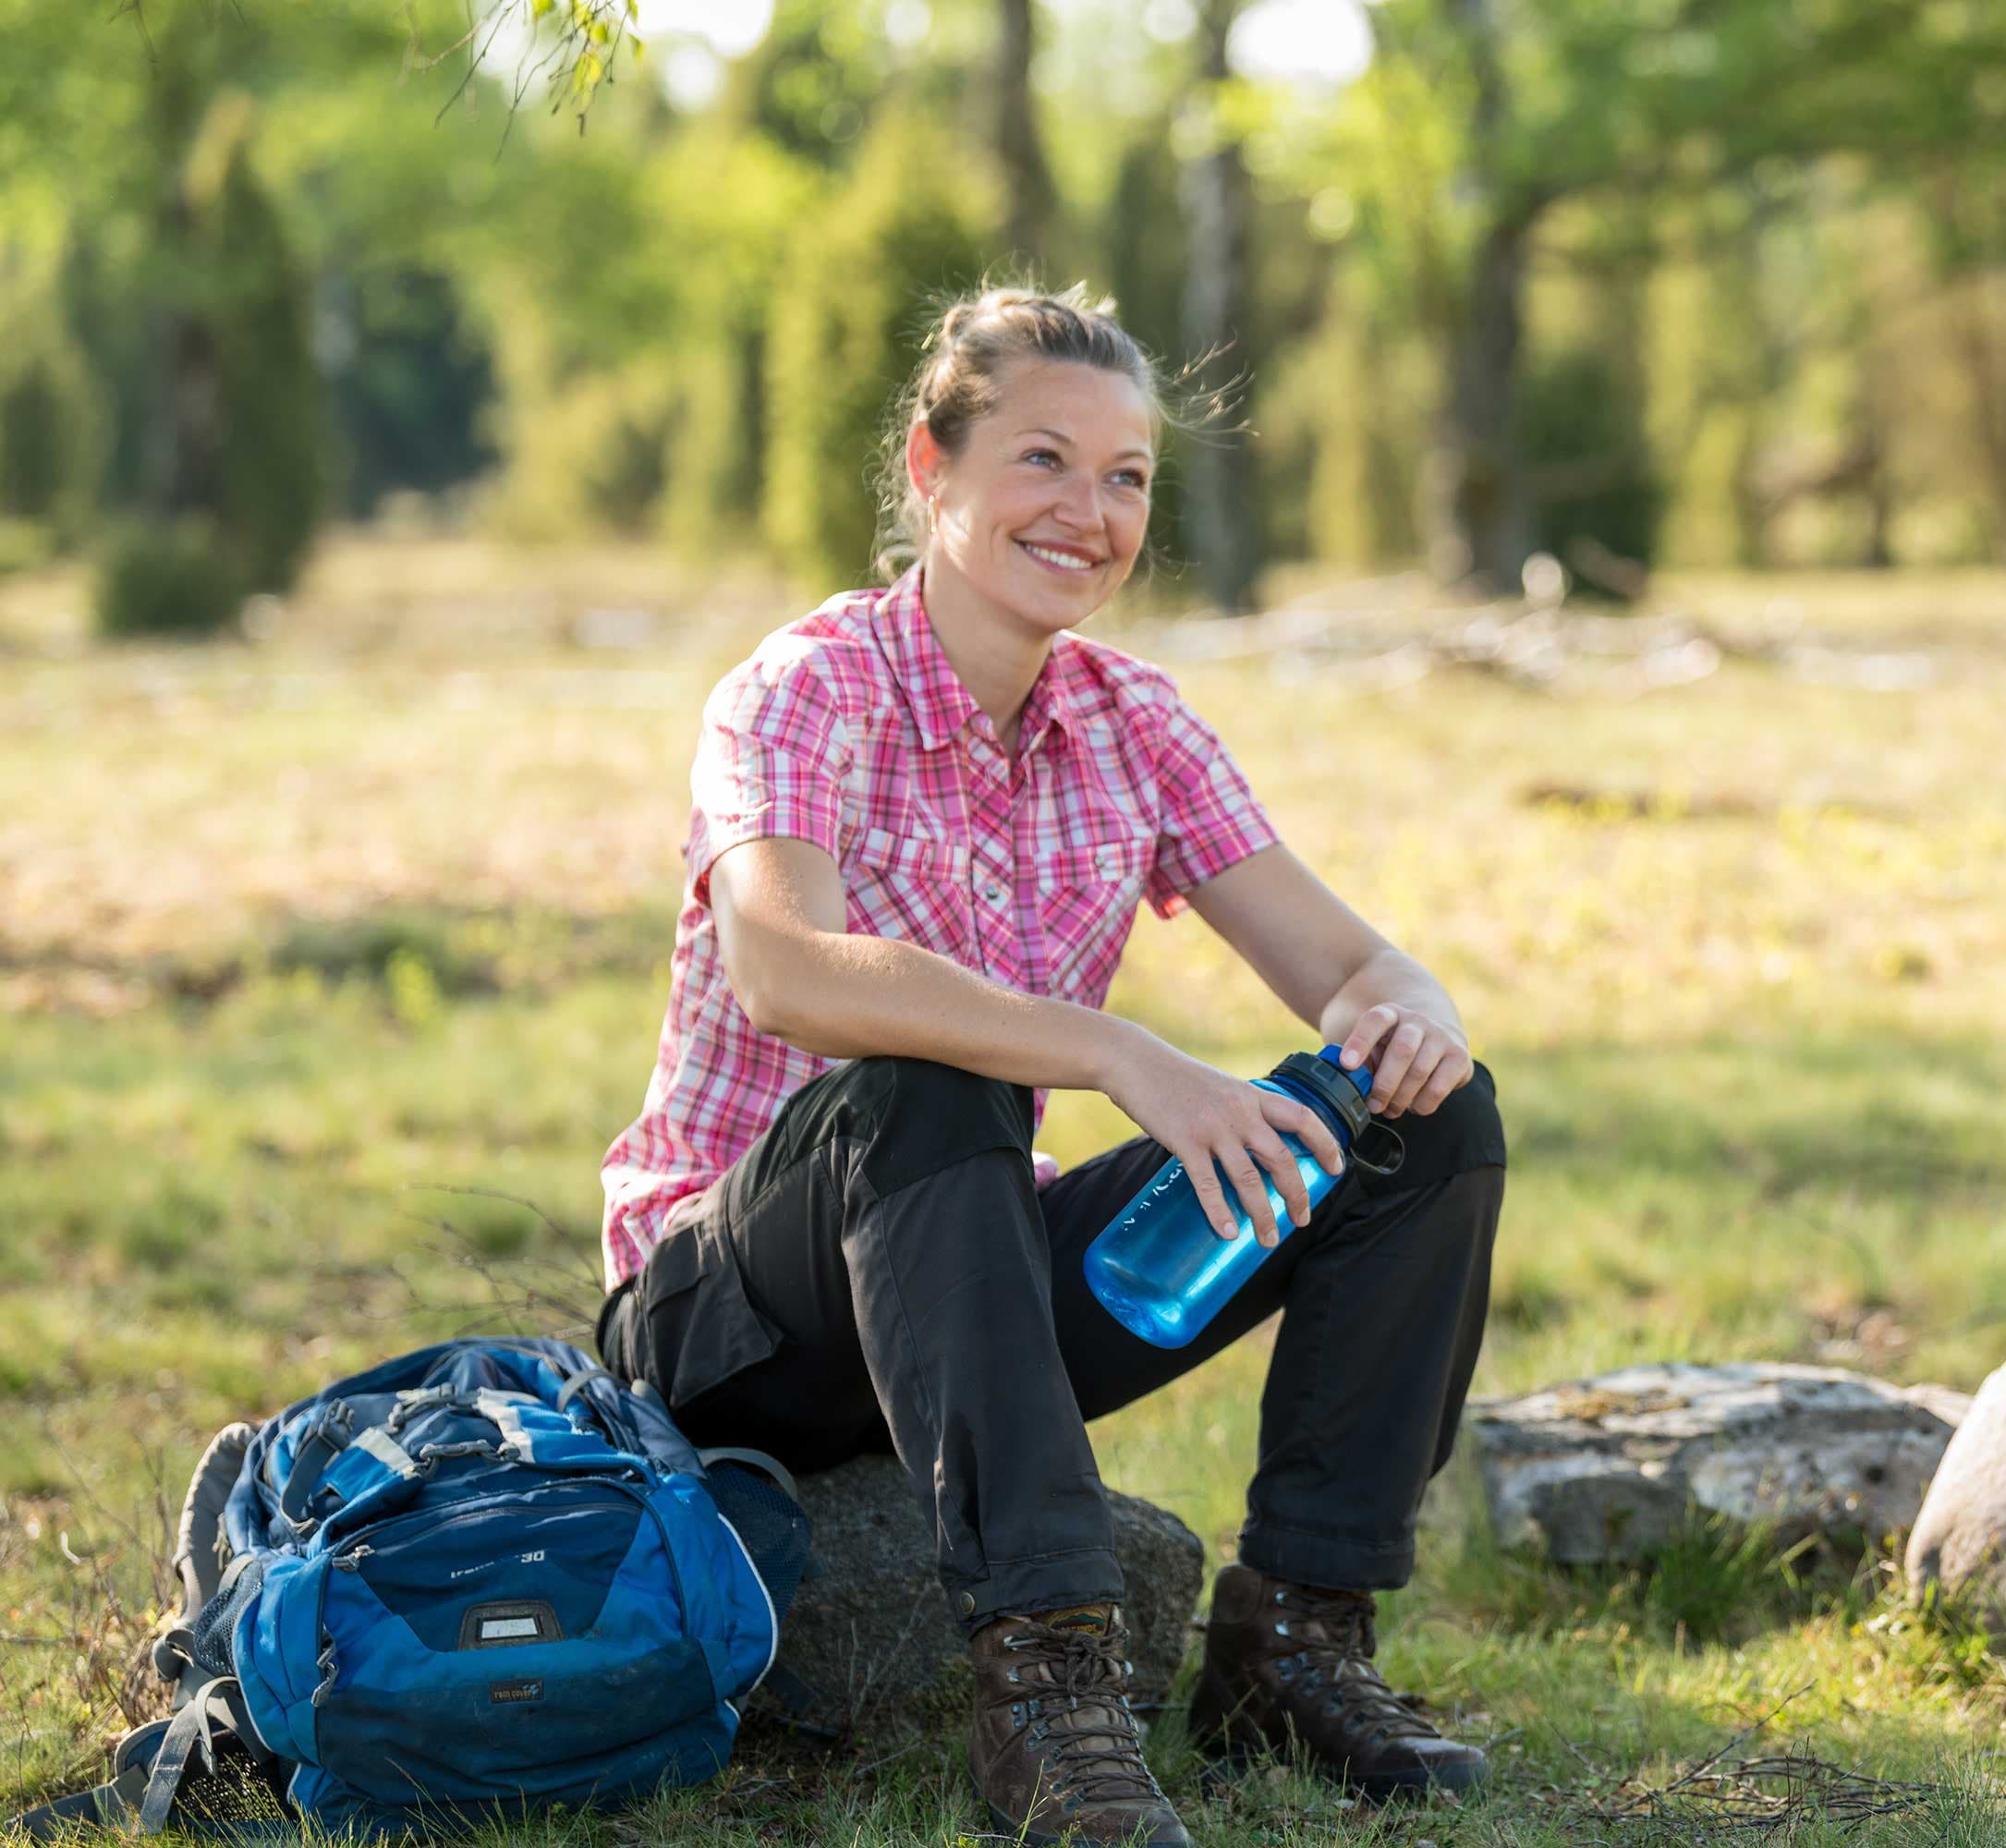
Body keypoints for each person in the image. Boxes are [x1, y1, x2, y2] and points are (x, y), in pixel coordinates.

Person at [593, 286, 1507, 1848]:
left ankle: (1294, 1638)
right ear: (930, 469)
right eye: (1041, 460)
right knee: (924, 1077)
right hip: (740, 1315)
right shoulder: (803, 688)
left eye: (1128, 476)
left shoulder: (1132, 722)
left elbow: (1351, 965)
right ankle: (1050, 1695)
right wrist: (1121, 1056)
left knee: (1420, 1125)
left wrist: (1409, 1010)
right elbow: (791, 968)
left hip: (970, 1283)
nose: (1089, 513)